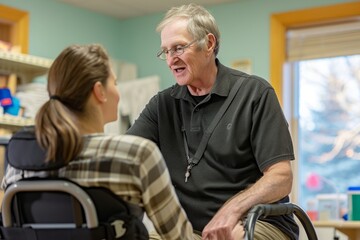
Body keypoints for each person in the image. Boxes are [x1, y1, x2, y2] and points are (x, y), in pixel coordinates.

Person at [126, 3, 299, 240]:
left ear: (208, 44)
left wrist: (233, 209)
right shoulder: (162, 104)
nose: (170, 60)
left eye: (178, 48)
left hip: (256, 223)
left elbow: (281, 177)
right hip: (190, 231)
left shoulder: (255, 93)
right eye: (165, 51)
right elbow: (124, 155)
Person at [1, 44, 196, 239]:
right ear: (99, 91)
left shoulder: (19, 157)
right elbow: (179, 236)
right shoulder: (135, 155)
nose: (117, 92)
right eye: (115, 83)